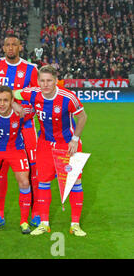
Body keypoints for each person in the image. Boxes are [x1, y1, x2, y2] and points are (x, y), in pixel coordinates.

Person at [15, 65, 88, 236]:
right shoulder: (33, 93)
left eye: (49, 81)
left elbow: (82, 116)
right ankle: (44, 223)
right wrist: (16, 106)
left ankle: (75, 224)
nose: (45, 84)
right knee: (43, 182)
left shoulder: (68, 97)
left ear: (56, 80)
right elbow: (10, 92)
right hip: (45, 144)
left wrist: (75, 139)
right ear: (38, 81)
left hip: (67, 144)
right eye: (42, 80)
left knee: (75, 183)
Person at [0, 34, 40, 227]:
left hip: (25, 125)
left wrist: (23, 110)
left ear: (20, 47)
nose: (10, 48)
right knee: (0, 172)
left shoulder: (31, 69)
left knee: (32, 170)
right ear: (3, 47)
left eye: (14, 44)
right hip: (1, 126)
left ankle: (35, 212)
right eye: (7, 44)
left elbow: (37, 98)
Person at [0, 86, 35, 235]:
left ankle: (24, 221)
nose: (2, 104)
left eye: (6, 100)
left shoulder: (21, 112)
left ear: (11, 101)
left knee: (24, 181)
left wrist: (17, 102)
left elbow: (38, 103)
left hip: (15, 148)